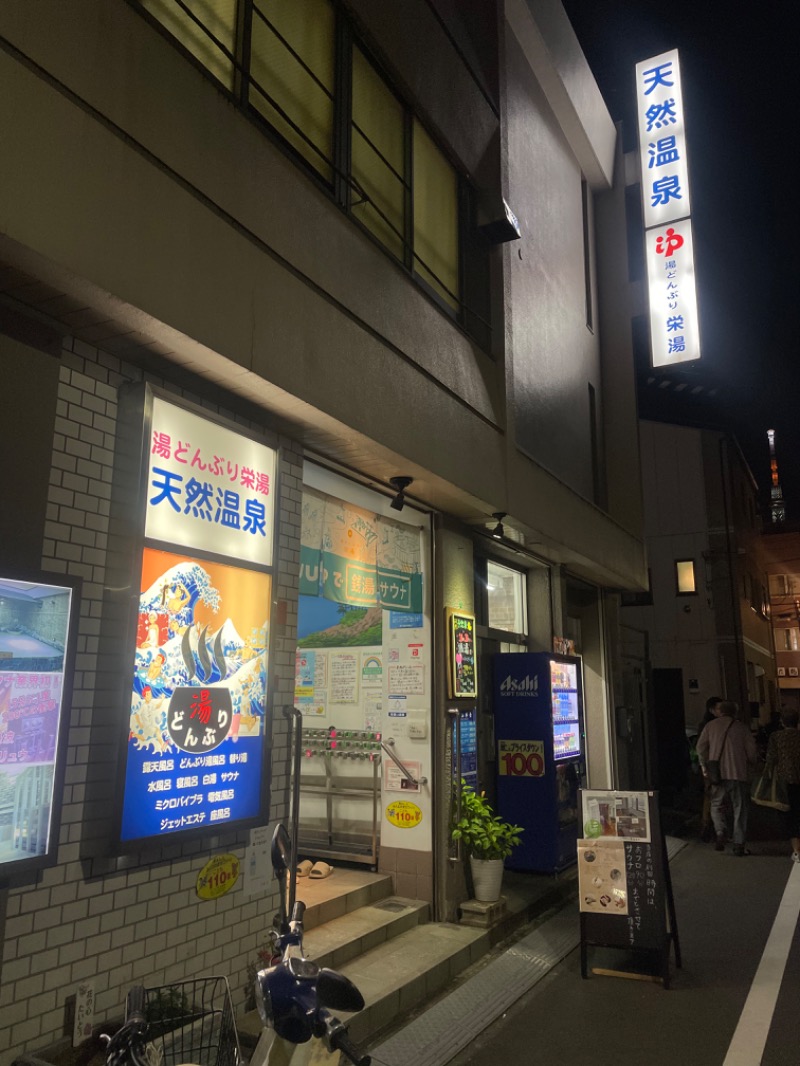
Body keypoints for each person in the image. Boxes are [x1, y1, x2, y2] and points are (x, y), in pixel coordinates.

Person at [696, 700, 757, 856]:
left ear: (719, 711)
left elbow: (700, 748)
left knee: (716, 804)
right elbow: (751, 753)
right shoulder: (742, 728)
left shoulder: (710, 726)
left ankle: (720, 831)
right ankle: (739, 844)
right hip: (738, 773)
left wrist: (704, 765)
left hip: (717, 774)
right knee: (740, 808)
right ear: (734, 712)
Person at [765, 708, 800, 862]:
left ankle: (796, 850)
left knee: (790, 814)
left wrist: (767, 775)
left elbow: (771, 758)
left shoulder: (776, 737)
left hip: (784, 780)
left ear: (782, 722)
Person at [696, 696, 723, 842]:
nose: (721, 711)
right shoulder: (710, 726)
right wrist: (704, 766)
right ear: (711, 710)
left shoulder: (706, 725)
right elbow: (701, 748)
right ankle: (709, 827)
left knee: (711, 797)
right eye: (719, 708)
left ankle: (709, 827)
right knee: (713, 797)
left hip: (709, 766)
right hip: (711, 766)